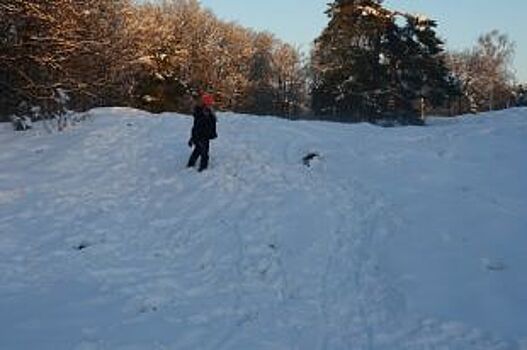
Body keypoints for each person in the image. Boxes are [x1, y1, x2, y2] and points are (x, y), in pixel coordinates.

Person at [187, 93, 217, 172]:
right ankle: (203, 168)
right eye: (209, 102)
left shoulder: (209, 111)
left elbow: (211, 123)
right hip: (201, 136)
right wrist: (193, 137)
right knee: (204, 152)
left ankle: (191, 164)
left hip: (205, 135)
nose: (211, 104)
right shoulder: (201, 112)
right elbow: (197, 126)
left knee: (198, 150)